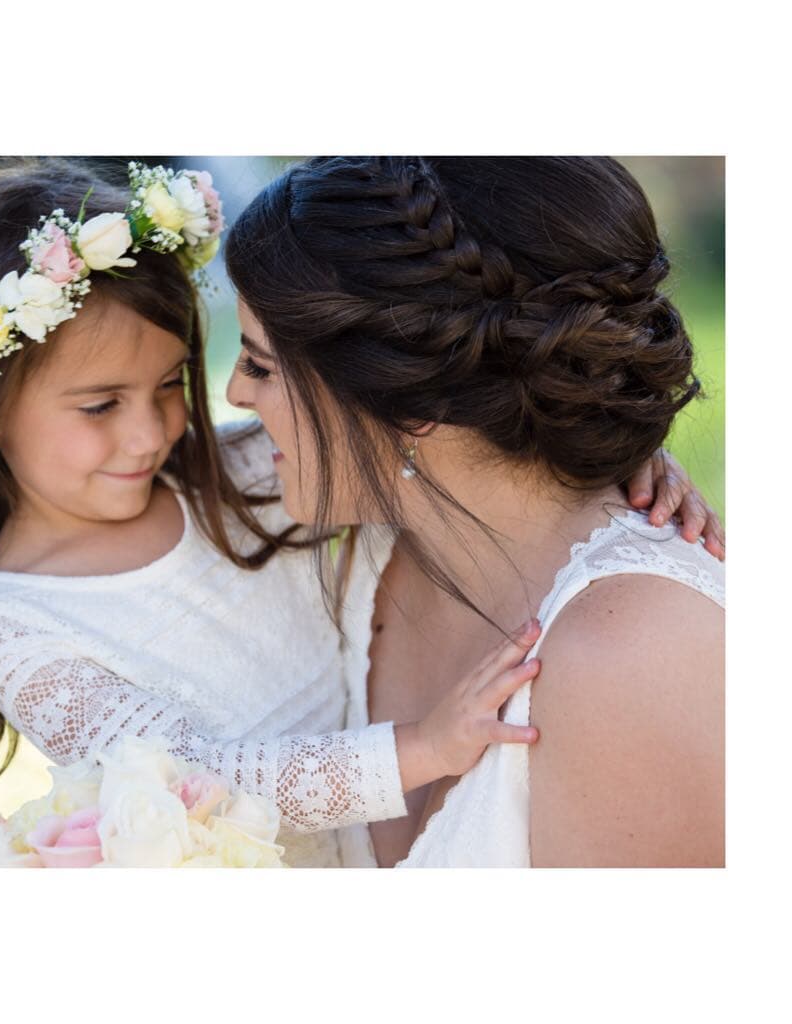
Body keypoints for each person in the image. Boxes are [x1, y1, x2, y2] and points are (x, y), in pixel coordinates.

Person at [0, 158, 717, 869]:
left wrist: (615, 444)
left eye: (164, 385)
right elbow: (194, 783)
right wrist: (421, 747)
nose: (156, 431)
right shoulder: (11, 618)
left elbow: (463, 406)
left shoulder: (220, 480)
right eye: (101, 406)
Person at [223, 156, 724, 867]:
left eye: (263, 366)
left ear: (414, 402)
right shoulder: (367, 551)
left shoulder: (635, 660)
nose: (237, 397)